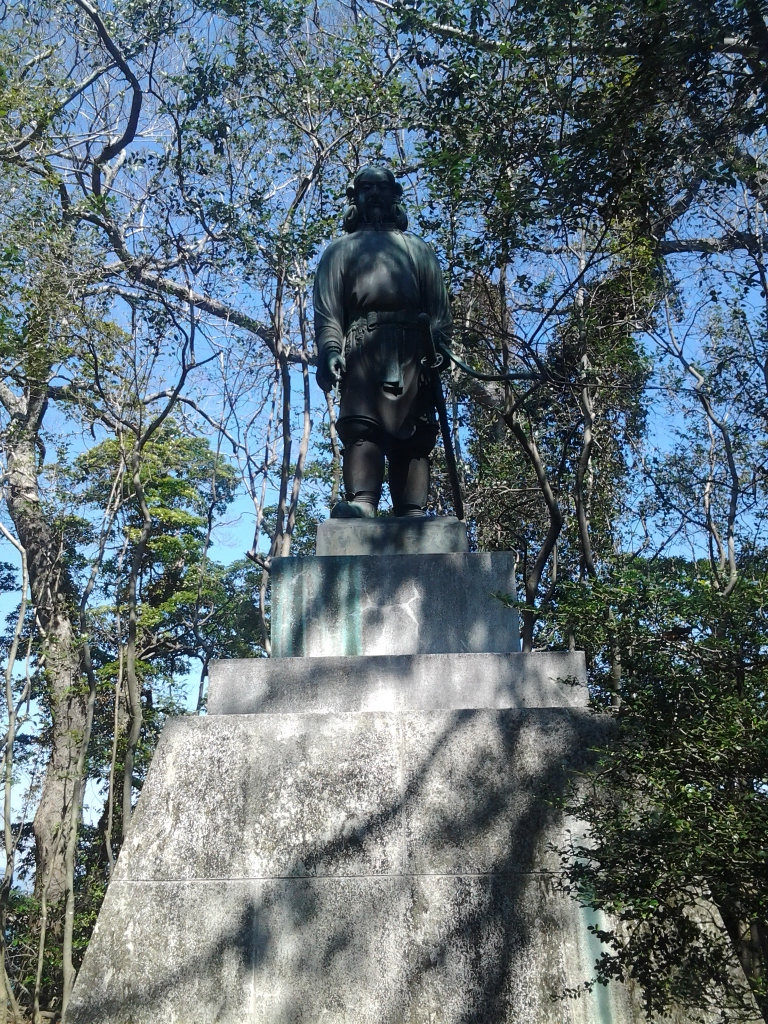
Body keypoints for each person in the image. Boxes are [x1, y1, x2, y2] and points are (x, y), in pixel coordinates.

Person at [313, 165, 452, 518]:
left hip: (412, 350)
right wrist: (330, 349)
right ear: (355, 198)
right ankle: (363, 501)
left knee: (415, 431)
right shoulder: (339, 251)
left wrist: (439, 346)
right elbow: (328, 312)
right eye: (367, 188)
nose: (374, 195)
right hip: (363, 347)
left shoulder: (418, 250)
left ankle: (412, 509)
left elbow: (438, 310)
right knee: (362, 427)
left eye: (382, 188)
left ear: (394, 197)